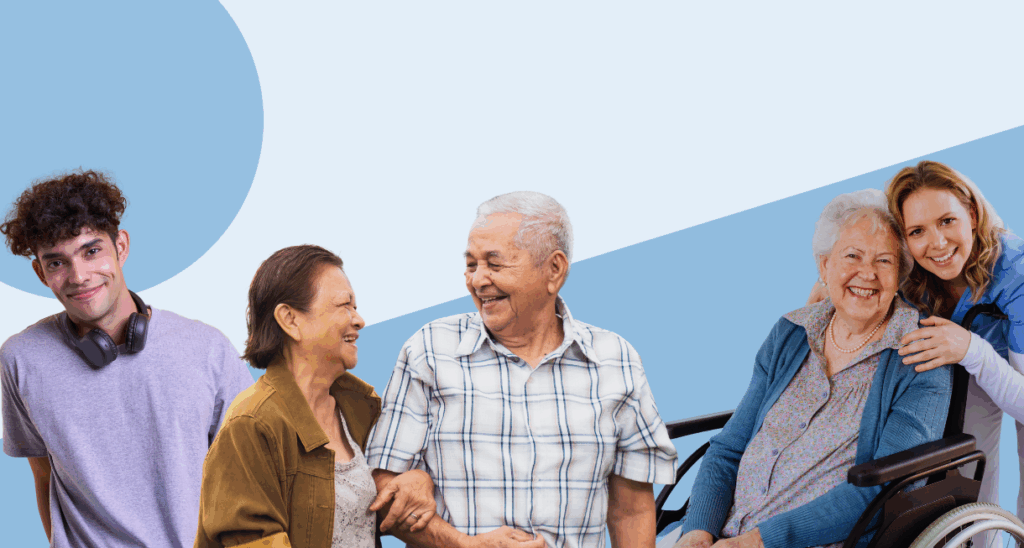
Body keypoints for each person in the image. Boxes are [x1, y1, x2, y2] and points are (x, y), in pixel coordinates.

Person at [365, 191, 679, 548]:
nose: (478, 280)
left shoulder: (615, 359)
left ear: (554, 269)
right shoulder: (430, 351)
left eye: (494, 264)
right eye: (471, 265)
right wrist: (464, 545)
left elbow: (631, 510)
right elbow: (384, 489)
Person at [670, 189, 951, 548]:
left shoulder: (920, 356)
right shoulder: (791, 332)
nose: (867, 273)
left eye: (884, 261)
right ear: (824, 266)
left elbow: (885, 489)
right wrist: (697, 531)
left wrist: (757, 541)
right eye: (852, 256)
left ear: (899, 276)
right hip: (722, 534)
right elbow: (728, 450)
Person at [0, 170, 254, 547]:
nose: (79, 276)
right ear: (40, 272)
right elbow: (42, 473)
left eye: (91, 251)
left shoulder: (207, 349)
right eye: (56, 263)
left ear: (120, 246)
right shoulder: (21, 360)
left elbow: (252, 473)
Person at [194, 245, 439, 548]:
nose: (359, 320)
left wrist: (420, 480)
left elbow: (390, 503)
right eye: (344, 305)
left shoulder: (362, 409)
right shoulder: (252, 423)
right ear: (290, 319)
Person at [884, 161, 1024, 538]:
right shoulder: (903, 268)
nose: (938, 243)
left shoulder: (1016, 272)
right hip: (965, 360)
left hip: (1002, 358)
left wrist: (972, 350)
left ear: (972, 215)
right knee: (969, 465)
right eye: (917, 230)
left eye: (947, 221)